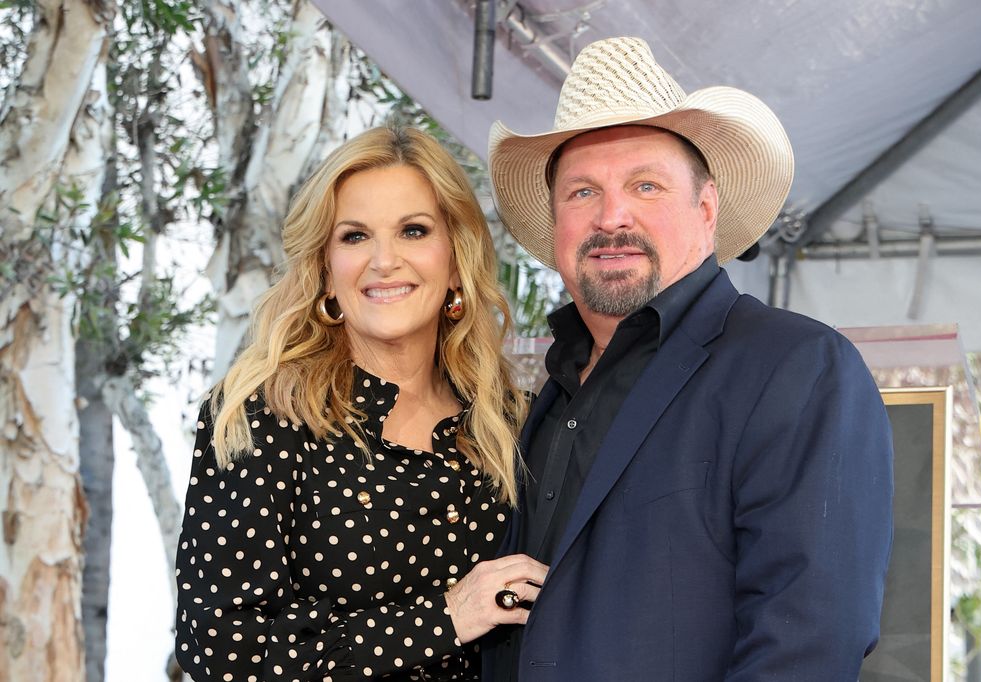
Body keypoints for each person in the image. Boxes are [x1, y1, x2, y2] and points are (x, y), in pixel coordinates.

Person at [483, 37, 894, 681]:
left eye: (645, 185)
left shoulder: (799, 367)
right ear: (556, 224)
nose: (611, 215)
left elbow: (806, 644)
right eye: (582, 192)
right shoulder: (551, 395)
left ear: (706, 211)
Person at [175, 124, 548, 681]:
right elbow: (221, 652)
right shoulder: (262, 419)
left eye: (413, 231)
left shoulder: (512, 421)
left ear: (454, 261)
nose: (384, 261)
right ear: (325, 269)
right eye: (354, 236)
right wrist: (445, 617)